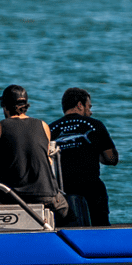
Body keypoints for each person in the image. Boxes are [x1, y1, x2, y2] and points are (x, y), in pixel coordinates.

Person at [0, 84, 66, 219]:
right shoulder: (43, 125)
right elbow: (47, 158)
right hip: (47, 196)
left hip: (12, 198)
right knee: (65, 208)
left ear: (4, 106)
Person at [50, 87, 119, 226]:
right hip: (91, 188)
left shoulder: (50, 129)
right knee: (100, 226)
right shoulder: (95, 125)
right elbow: (112, 159)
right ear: (80, 105)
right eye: (89, 107)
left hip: (62, 191)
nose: (90, 111)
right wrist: (92, 150)